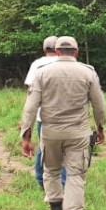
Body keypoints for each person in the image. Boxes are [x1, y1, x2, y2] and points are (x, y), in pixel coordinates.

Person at [20, 36, 106, 210]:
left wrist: (26, 135)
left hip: (50, 132)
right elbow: (99, 105)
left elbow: (30, 107)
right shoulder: (88, 73)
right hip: (78, 133)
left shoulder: (42, 73)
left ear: (57, 52)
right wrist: (100, 128)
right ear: (76, 52)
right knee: (76, 176)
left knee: (51, 172)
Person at [24, 36, 66, 190]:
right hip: (66, 117)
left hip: (44, 117)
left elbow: (30, 93)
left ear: (44, 49)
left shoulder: (37, 65)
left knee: (44, 149)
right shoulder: (67, 65)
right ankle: (63, 185)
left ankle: (42, 181)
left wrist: (26, 122)